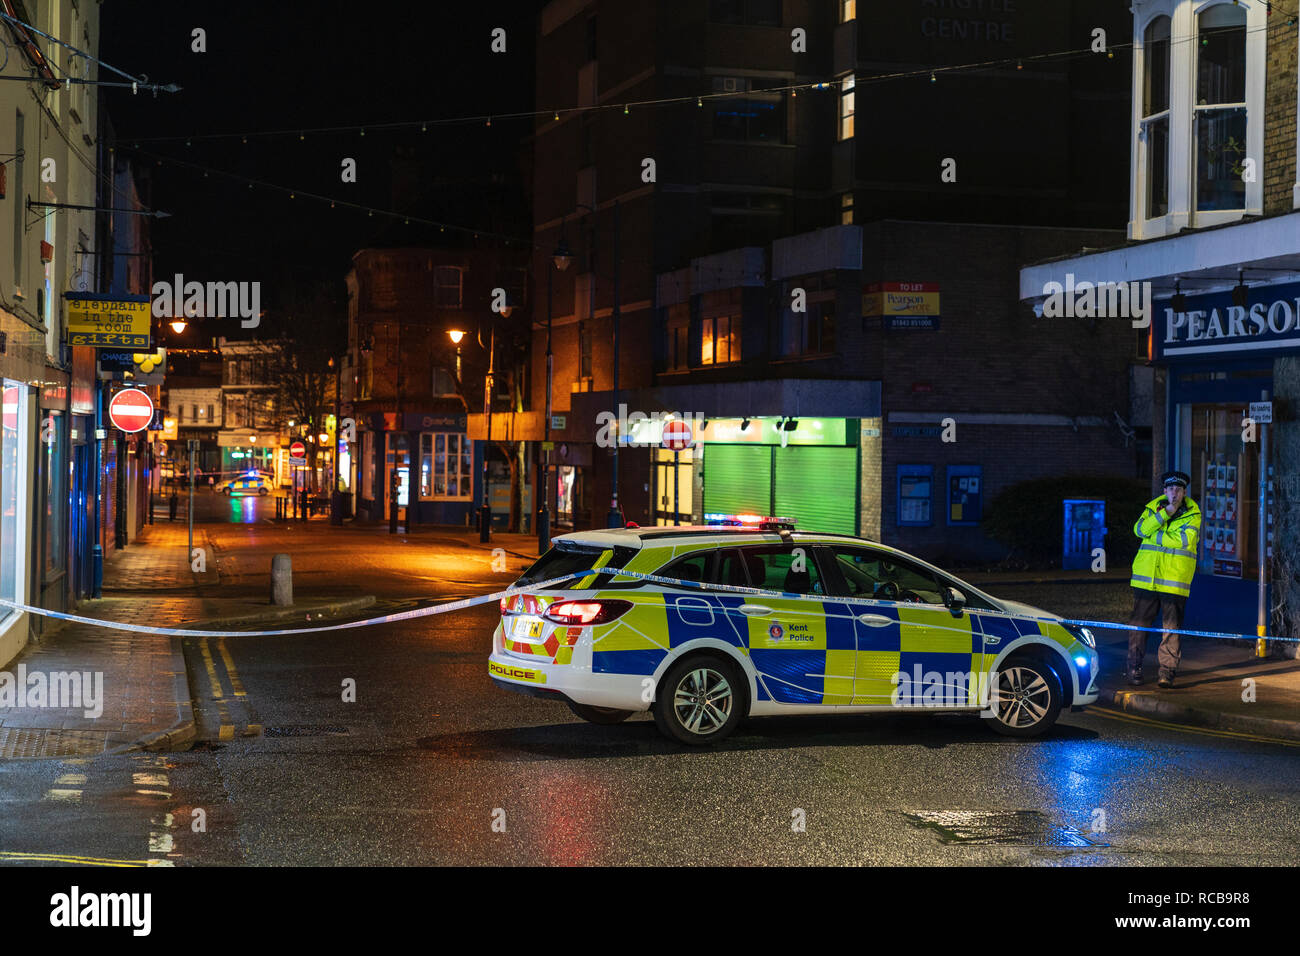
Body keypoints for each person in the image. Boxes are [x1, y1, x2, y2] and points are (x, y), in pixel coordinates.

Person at [1127, 470, 1202, 688]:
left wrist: (1155, 535)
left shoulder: (1193, 514)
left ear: (1184, 492)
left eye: (1178, 489)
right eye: (1171, 489)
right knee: (1139, 626)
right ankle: (1134, 667)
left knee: (1171, 629)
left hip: (1174, 580)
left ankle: (1167, 672)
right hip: (1146, 578)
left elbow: (1183, 541)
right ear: (1164, 491)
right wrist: (1166, 513)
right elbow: (1140, 529)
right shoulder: (1153, 509)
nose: (1174, 493)